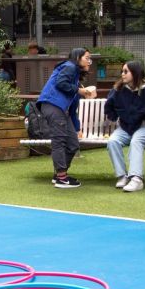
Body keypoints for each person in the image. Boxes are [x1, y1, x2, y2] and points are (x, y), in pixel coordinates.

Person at [36, 48, 97, 188]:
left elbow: (73, 107)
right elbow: (60, 83)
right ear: (77, 57)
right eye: (87, 58)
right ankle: (62, 178)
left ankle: (59, 175)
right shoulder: (69, 66)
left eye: (90, 59)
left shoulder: (74, 77)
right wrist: (80, 90)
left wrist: (77, 128)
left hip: (61, 110)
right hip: (52, 105)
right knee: (59, 141)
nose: (89, 62)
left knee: (73, 143)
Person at [105, 60, 145, 192]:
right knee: (113, 141)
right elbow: (109, 105)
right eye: (122, 71)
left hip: (144, 128)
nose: (122, 74)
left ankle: (136, 179)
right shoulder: (118, 90)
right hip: (125, 128)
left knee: (136, 141)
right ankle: (122, 176)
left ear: (135, 73)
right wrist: (114, 117)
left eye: (126, 71)